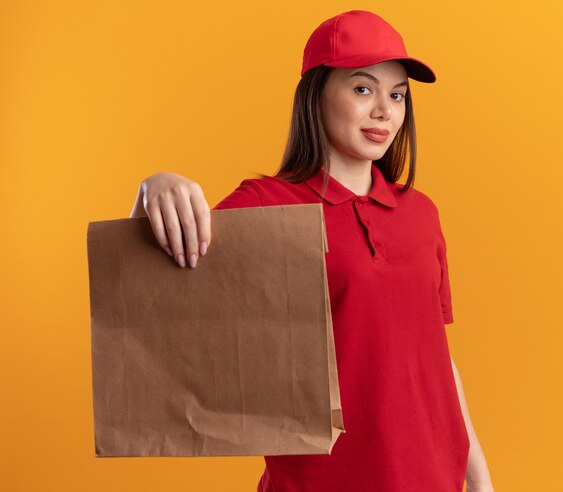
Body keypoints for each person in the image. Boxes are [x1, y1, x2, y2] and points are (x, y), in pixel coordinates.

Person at [130, 9, 494, 492]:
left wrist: (480, 479)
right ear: (315, 94)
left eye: (397, 94)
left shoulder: (420, 213)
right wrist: (152, 190)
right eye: (363, 89)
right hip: (321, 481)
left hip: (433, 478)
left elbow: (434, 357)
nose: (385, 110)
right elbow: (160, 296)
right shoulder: (266, 206)